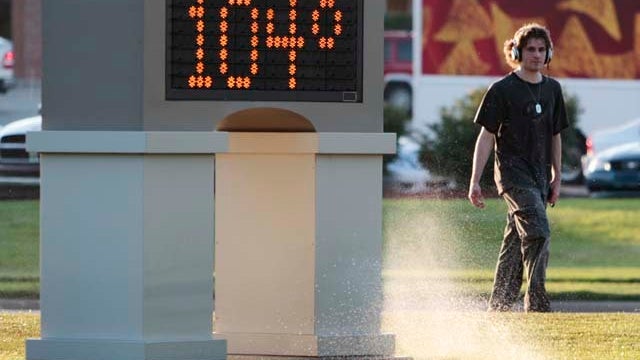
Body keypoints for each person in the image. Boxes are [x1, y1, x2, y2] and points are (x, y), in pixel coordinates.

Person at [468, 23, 568, 312]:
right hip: (512, 176)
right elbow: (486, 137)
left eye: (541, 49)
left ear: (548, 52)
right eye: (530, 49)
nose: (536, 55)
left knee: (514, 243)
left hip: (539, 178)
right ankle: (536, 303)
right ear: (517, 52)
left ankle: (498, 306)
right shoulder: (502, 90)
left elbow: (555, 134)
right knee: (538, 231)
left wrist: (557, 177)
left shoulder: (553, 90)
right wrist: (475, 180)